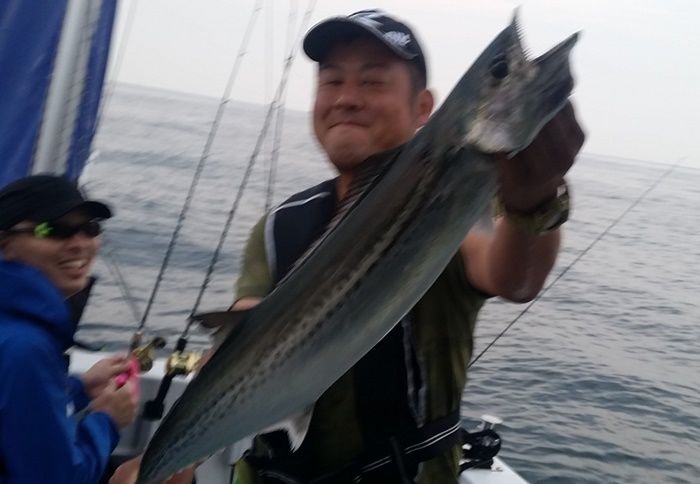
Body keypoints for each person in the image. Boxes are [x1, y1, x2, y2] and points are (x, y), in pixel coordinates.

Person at [111, 8, 584, 484]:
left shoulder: (473, 204)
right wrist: (175, 458)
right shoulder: (278, 226)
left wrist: (536, 201)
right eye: (332, 81)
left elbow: (515, 277)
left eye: (373, 82)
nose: (346, 99)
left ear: (424, 108)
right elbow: (244, 334)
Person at [0, 174, 139, 484]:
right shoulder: (26, 347)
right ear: (4, 242)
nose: (79, 244)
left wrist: (77, 389)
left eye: (90, 229)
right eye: (53, 230)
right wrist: (108, 421)